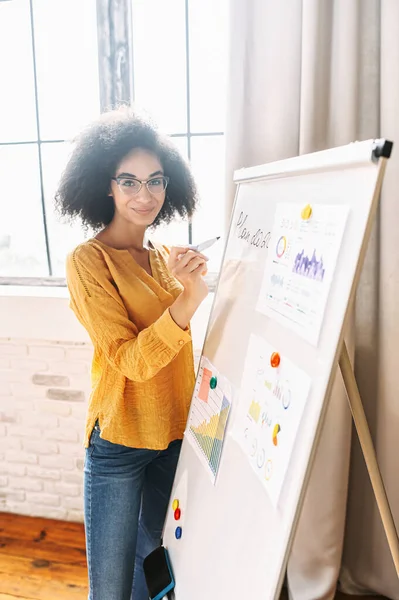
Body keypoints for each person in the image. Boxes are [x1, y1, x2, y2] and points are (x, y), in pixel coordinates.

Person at [55, 106, 209, 600]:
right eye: (130, 181)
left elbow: (178, 352)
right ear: (106, 186)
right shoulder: (88, 261)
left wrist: (187, 285)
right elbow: (131, 360)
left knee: (161, 574)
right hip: (121, 442)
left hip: (173, 437)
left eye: (156, 181)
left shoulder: (164, 257)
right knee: (112, 586)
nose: (146, 196)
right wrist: (187, 301)